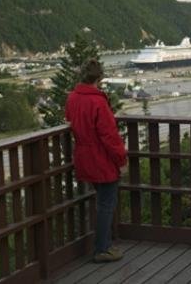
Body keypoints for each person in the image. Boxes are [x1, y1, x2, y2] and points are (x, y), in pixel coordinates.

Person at [65, 59, 127, 263]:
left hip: (83, 155)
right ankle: (102, 248)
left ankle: (103, 244)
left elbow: (69, 120)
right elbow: (109, 135)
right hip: (101, 158)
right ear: (100, 78)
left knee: (101, 201)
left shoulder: (72, 98)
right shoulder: (98, 101)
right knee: (106, 204)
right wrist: (121, 160)